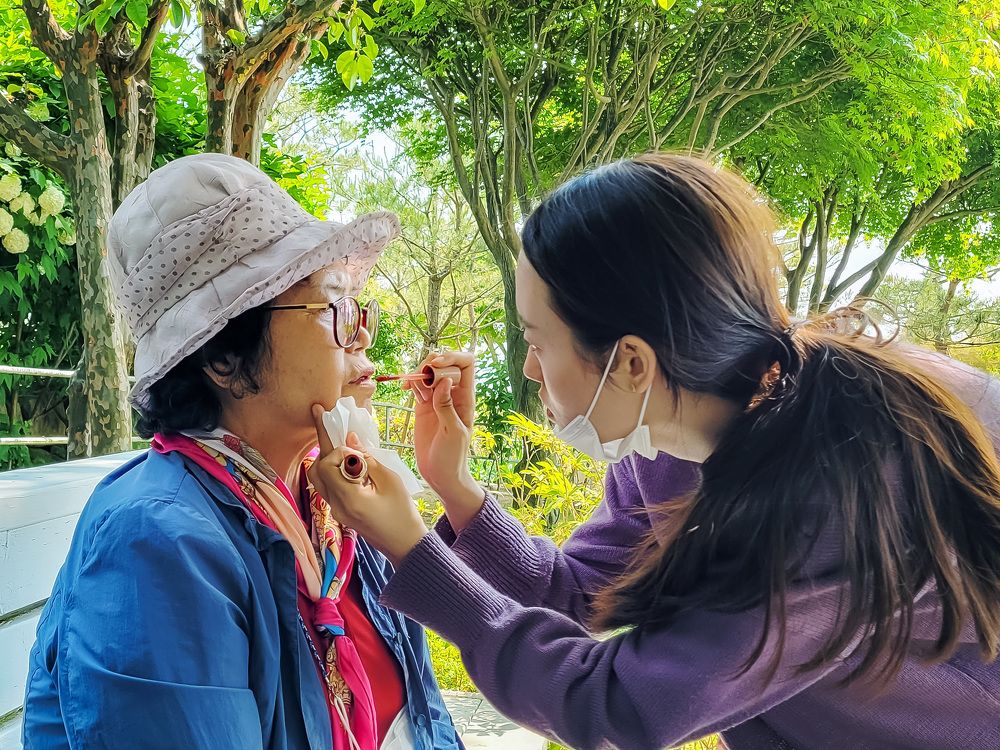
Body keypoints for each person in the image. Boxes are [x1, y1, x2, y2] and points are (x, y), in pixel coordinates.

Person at [307, 154, 1000, 750]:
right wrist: (457, 490)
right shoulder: (675, 428)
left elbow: (616, 707)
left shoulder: (836, 488)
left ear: (632, 362)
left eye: (538, 341)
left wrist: (410, 549)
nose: (528, 368)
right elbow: (584, 594)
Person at [22, 154, 462, 750]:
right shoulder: (157, 544)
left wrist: (449, 488)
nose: (359, 332)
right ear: (223, 358)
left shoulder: (332, 501)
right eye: (332, 306)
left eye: (357, 306)